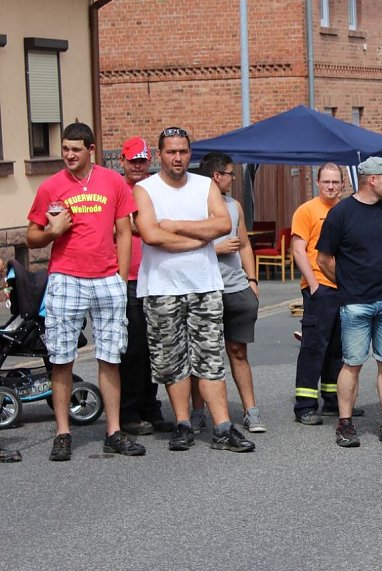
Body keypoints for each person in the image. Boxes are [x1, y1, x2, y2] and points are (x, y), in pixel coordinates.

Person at [26, 122, 145, 460]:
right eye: (64, 149)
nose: (69, 155)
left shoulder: (111, 182)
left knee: (110, 357)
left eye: (76, 149)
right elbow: (31, 237)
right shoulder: (51, 187)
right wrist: (52, 232)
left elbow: (124, 231)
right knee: (61, 358)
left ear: (91, 150)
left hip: (107, 278)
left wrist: (121, 278)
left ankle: (114, 431)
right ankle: (63, 433)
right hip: (66, 277)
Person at [133, 127, 255, 453]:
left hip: (204, 286)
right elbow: (151, 235)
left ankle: (222, 428)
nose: (178, 157)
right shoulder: (145, 189)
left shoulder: (204, 185)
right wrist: (198, 239)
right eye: (171, 151)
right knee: (173, 362)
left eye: (183, 152)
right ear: (160, 154)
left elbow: (222, 225)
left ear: (190, 154)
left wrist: (176, 226)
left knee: (211, 360)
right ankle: (183, 424)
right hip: (161, 288)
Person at [316, 157, 382, 447]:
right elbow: (323, 259)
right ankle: (345, 424)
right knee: (352, 363)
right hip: (355, 302)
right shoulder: (341, 214)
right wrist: (347, 283)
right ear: (373, 179)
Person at [196, 152, 265, 433]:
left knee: (238, 351)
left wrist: (253, 281)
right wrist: (215, 249)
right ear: (216, 176)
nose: (233, 179)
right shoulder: (193, 205)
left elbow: (246, 245)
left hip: (237, 288)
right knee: (201, 356)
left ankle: (252, 411)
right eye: (230, 174)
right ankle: (198, 412)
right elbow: (176, 246)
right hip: (204, 288)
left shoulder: (234, 205)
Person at [291, 163, 364, 425]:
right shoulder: (307, 211)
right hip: (319, 287)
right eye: (326, 182)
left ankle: (334, 402)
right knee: (314, 347)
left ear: (342, 185)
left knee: (338, 348)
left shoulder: (348, 211)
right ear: (318, 183)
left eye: (336, 182)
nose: (331, 187)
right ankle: (305, 406)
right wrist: (313, 284)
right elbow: (298, 249)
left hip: (344, 288)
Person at [117, 137, 174, 436]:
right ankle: (128, 412)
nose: (137, 165)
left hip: (157, 277)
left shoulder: (155, 189)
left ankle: (151, 408)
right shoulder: (117, 189)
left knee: (155, 349)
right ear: (122, 161)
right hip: (128, 278)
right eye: (132, 160)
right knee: (132, 348)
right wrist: (152, 225)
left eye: (142, 160)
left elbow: (165, 223)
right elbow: (130, 226)